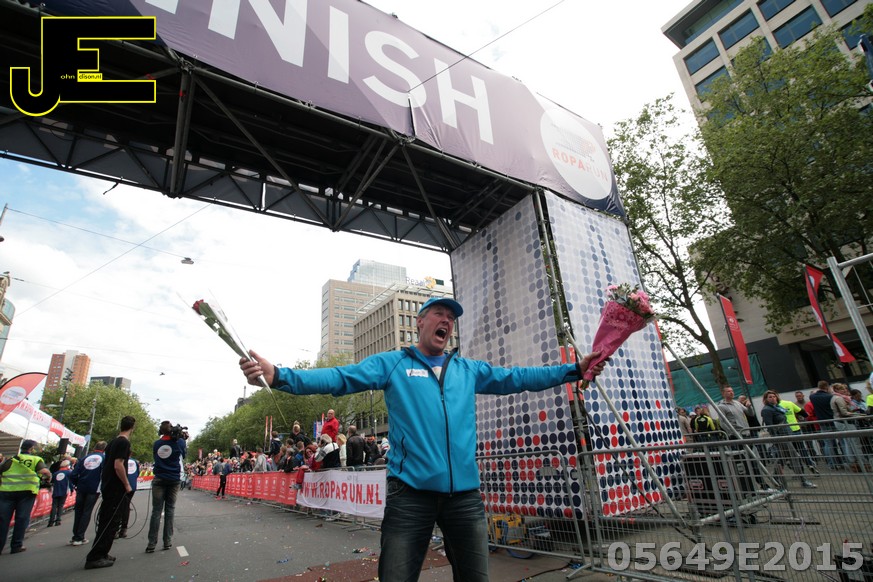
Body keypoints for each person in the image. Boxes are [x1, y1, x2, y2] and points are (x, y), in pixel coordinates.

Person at [240, 296, 604, 581]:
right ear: (420, 322)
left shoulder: (468, 370)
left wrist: (574, 370)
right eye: (439, 314)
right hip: (410, 495)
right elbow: (340, 377)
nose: (446, 321)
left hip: (464, 498)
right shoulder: (394, 364)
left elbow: (518, 378)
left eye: (451, 318)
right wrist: (280, 376)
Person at [85, 415, 136, 569]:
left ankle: (102, 552)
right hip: (115, 487)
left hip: (108, 485)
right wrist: (126, 484)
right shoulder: (124, 442)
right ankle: (96, 556)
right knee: (110, 522)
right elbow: (118, 465)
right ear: (132, 427)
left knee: (107, 521)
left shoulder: (113, 442)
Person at [0, 439, 51, 554]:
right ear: (31, 449)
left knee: (3, 520)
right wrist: (48, 478)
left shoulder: (11, 459)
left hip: (7, 491)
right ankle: (16, 545)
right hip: (27, 492)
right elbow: (45, 471)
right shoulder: (36, 459)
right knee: (21, 518)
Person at [760, 391, 816, 489]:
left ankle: (775, 478)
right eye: (770, 397)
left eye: (774, 396)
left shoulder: (778, 407)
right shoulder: (767, 410)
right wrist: (776, 438)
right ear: (766, 399)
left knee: (783, 458)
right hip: (781, 437)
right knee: (794, 457)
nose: (773, 398)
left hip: (787, 435)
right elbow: (770, 426)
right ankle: (803, 480)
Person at [146, 420, 184, 553]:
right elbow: (183, 454)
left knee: (156, 511)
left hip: (159, 478)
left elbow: (155, 457)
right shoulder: (179, 442)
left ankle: (151, 543)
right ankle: (167, 541)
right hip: (173, 479)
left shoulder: (157, 444)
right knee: (170, 509)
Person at [69, 440, 107, 546]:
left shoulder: (84, 458)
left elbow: (73, 474)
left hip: (81, 487)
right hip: (94, 488)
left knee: (78, 511)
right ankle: (79, 537)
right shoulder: (104, 458)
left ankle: (75, 535)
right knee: (87, 512)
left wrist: (77, 484)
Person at [809, 381, 841, 470]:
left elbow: (814, 393)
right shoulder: (830, 396)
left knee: (828, 443)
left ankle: (831, 463)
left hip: (822, 422)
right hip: (832, 420)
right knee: (841, 441)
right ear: (827, 387)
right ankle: (842, 462)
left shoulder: (812, 397)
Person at [118, 456, 140, 538]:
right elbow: (137, 473)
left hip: (122, 486)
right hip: (132, 486)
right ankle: (123, 529)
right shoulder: (134, 462)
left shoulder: (120, 460)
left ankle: (116, 528)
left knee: (118, 506)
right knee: (126, 506)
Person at [48, 458, 73, 527]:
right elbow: (71, 482)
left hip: (56, 491)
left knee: (54, 506)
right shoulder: (69, 472)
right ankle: (58, 520)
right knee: (60, 505)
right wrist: (72, 489)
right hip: (64, 491)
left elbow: (52, 482)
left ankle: (51, 521)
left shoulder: (56, 473)